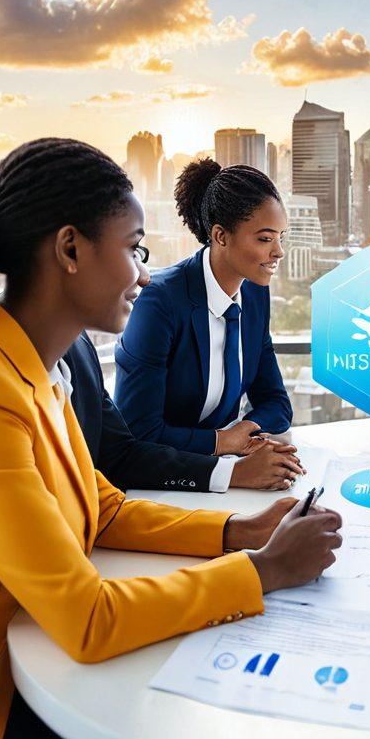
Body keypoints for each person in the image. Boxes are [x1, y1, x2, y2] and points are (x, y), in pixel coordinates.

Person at [0, 138, 342, 739]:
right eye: (134, 246)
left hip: (49, 672)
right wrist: (265, 570)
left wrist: (240, 531)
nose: (143, 272)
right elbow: (88, 620)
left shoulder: (49, 366)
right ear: (71, 250)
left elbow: (103, 506)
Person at [114, 159, 295, 493]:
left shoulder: (253, 294)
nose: (279, 251)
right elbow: (139, 431)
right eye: (265, 239)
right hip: (154, 486)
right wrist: (222, 442)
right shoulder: (160, 303)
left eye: (281, 237)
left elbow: (277, 403)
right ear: (220, 236)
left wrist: (247, 432)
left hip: (226, 475)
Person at [65, 331, 305, 492]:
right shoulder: (160, 299)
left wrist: (235, 468)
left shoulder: (78, 347)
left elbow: (119, 456)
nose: (143, 276)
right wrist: (223, 446)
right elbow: (137, 438)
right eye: (133, 252)